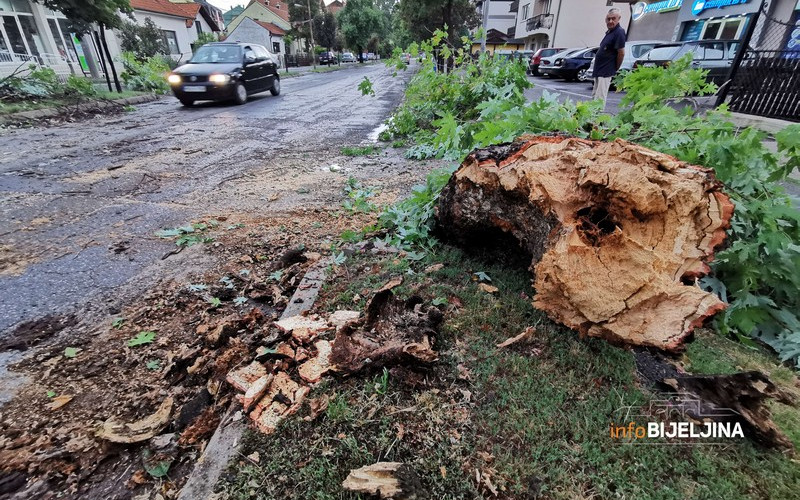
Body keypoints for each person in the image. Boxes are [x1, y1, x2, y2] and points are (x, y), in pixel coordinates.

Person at [592, 8, 626, 108]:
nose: (610, 21)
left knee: (599, 98)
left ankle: (597, 121)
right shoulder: (609, 32)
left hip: (606, 71)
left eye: (613, 19)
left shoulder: (619, 32)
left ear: (618, 19)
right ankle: (590, 119)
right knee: (594, 96)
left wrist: (616, 68)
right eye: (608, 19)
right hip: (599, 70)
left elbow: (621, 53)